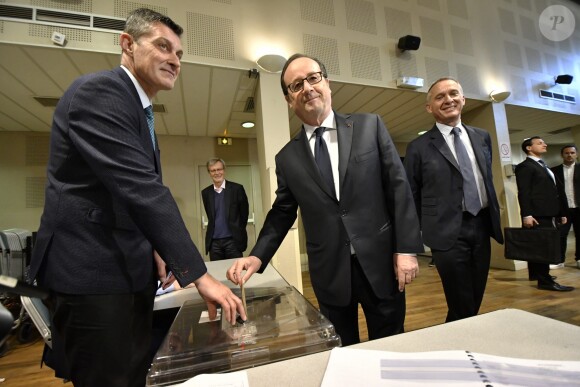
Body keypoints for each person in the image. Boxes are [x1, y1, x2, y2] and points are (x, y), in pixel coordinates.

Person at [28, 8, 245, 387]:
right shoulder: (100, 92)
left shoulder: (138, 109)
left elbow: (123, 195)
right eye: (164, 47)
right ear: (127, 44)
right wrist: (199, 276)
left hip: (125, 275)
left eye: (179, 54)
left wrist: (156, 246)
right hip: (93, 279)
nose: (175, 61)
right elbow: (142, 189)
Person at [226, 53, 424, 346]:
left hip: (381, 264)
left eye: (313, 78)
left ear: (327, 83)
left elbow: (399, 188)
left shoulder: (370, 127)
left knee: (391, 346)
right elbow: (282, 212)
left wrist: (406, 249)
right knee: (341, 350)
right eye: (296, 85)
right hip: (330, 273)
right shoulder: (287, 158)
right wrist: (257, 255)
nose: (307, 88)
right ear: (289, 99)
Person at [403, 77, 504, 323]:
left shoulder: (482, 137)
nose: (448, 99)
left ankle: (458, 340)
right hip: (447, 233)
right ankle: (463, 343)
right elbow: (411, 195)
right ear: (429, 108)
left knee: (474, 293)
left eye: (453, 93)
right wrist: (413, 238)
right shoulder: (418, 146)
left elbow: (484, 177)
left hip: (481, 225)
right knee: (460, 297)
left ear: (463, 99)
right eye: (440, 97)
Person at [515, 136, 574, 291]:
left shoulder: (542, 165)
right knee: (542, 248)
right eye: (540, 143)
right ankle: (545, 281)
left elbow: (554, 191)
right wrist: (526, 215)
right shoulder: (526, 166)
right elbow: (524, 192)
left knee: (540, 247)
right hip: (537, 214)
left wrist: (561, 212)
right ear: (529, 148)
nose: (544, 144)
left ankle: (538, 275)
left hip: (548, 213)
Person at [201, 158, 249, 261]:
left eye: (219, 169)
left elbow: (244, 214)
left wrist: (238, 230)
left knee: (236, 273)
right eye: (213, 170)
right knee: (217, 274)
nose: (217, 173)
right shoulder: (206, 193)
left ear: (224, 170)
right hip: (214, 243)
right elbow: (211, 216)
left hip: (233, 241)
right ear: (209, 173)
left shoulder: (237, 189)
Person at [551, 145, 580, 269]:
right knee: (561, 235)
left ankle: (579, 259)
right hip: (563, 209)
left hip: (579, 208)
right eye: (567, 153)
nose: (569, 155)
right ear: (562, 155)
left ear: (576, 154)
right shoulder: (554, 170)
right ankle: (559, 261)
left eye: (572, 152)